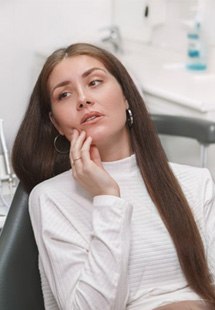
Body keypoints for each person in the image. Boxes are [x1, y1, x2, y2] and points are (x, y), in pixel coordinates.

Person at [12, 42, 215, 310]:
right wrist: (107, 198)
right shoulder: (50, 198)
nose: (83, 99)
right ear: (56, 124)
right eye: (64, 95)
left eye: (94, 82)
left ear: (126, 95)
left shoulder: (195, 182)